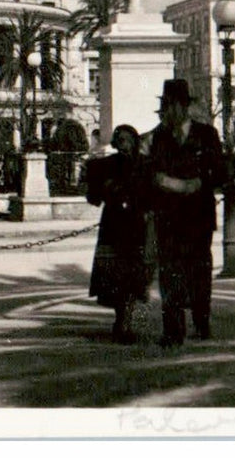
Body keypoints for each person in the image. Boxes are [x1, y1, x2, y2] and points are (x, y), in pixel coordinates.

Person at [145, 79, 227, 347]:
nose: (164, 112)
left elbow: (220, 171)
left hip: (198, 216)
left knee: (199, 271)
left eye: (168, 106)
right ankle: (173, 330)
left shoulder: (207, 135)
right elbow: (151, 173)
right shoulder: (158, 137)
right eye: (163, 107)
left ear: (183, 107)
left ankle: (202, 321)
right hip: (168, 217)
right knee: (169, 273)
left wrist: (199, 182)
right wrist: (166, 183)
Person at [86, 124, 152, 343]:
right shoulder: (108, 165)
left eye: (127, 139)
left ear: (134, 141)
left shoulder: (144, 165)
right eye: (119, 139)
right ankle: (121, 320)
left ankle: (125, 321)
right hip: (113, 226)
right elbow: (93, 196)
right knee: (115, 277)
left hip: (136, 226)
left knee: (132, 277)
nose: (123, 144)